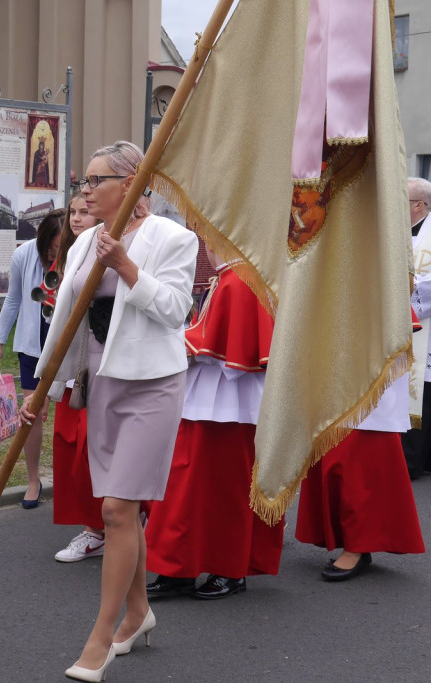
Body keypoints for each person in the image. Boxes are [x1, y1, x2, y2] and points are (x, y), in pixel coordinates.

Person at [22, 141, 196, 681]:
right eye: (83, 182)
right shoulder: (79, 244)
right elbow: (64, 323)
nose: (85, 191)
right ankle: (140, 612)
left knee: (118, 510)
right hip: (101, 384)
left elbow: (175, 311)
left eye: (96, 180)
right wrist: (40, 388)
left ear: (131, 181)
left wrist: (124, 265)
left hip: (151, 384)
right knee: (120, 512)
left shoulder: (172, 237)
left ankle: (99, 638)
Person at [144, 256, 284, 600]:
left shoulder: (243, 279)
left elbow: (224, 346)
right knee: (184, 487)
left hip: (232, 401)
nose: (205, 241)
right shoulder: (228, 276)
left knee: (226, 490)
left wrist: (174, 343)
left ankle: (230, 568)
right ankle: (178, 568)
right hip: (205, 397)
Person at [295, 369, 425, 580]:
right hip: (334, 359)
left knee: (358, 454)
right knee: (330, 442)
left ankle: (357, 544)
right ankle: (350, 539)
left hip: (373, 360)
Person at [0, 210, 66, 509]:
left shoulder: (78, 253)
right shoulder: (24, 255)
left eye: (60, 246)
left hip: (67, 346)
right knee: (31, 416)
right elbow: (12, 299)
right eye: (51, 246)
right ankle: (33, 479)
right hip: (32, 346)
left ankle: (75, 481)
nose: (54, 252)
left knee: (72, 416)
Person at [50, 193, 109, 562]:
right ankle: (93, 527)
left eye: (84, 211)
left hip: (102, 366)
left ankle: (108, 524)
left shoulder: (110, 247)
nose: (76, 218)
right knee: (72, 451)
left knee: (97, 449)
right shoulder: (71, 255)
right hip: (74, 369)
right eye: (72, 212)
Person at [404, 176, 431, 479]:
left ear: (419, 205)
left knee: (424, 390)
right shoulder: (396, 230)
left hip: (425, 323)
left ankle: (416, 460)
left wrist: (398, 292)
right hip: (402, 324)